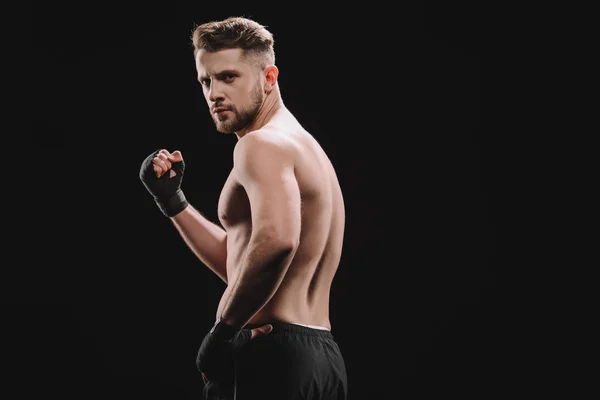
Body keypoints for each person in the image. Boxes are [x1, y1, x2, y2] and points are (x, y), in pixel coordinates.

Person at [139, 16, 347, 400]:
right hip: (319, 358)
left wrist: (222, 331)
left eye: (229, 77)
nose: (214, 93)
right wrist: (173, 202)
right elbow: (246, 262)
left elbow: (277, 242)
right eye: (206, 80)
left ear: (269, 77)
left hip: (271, 358)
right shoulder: (305, 148)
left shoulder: (258, 145)